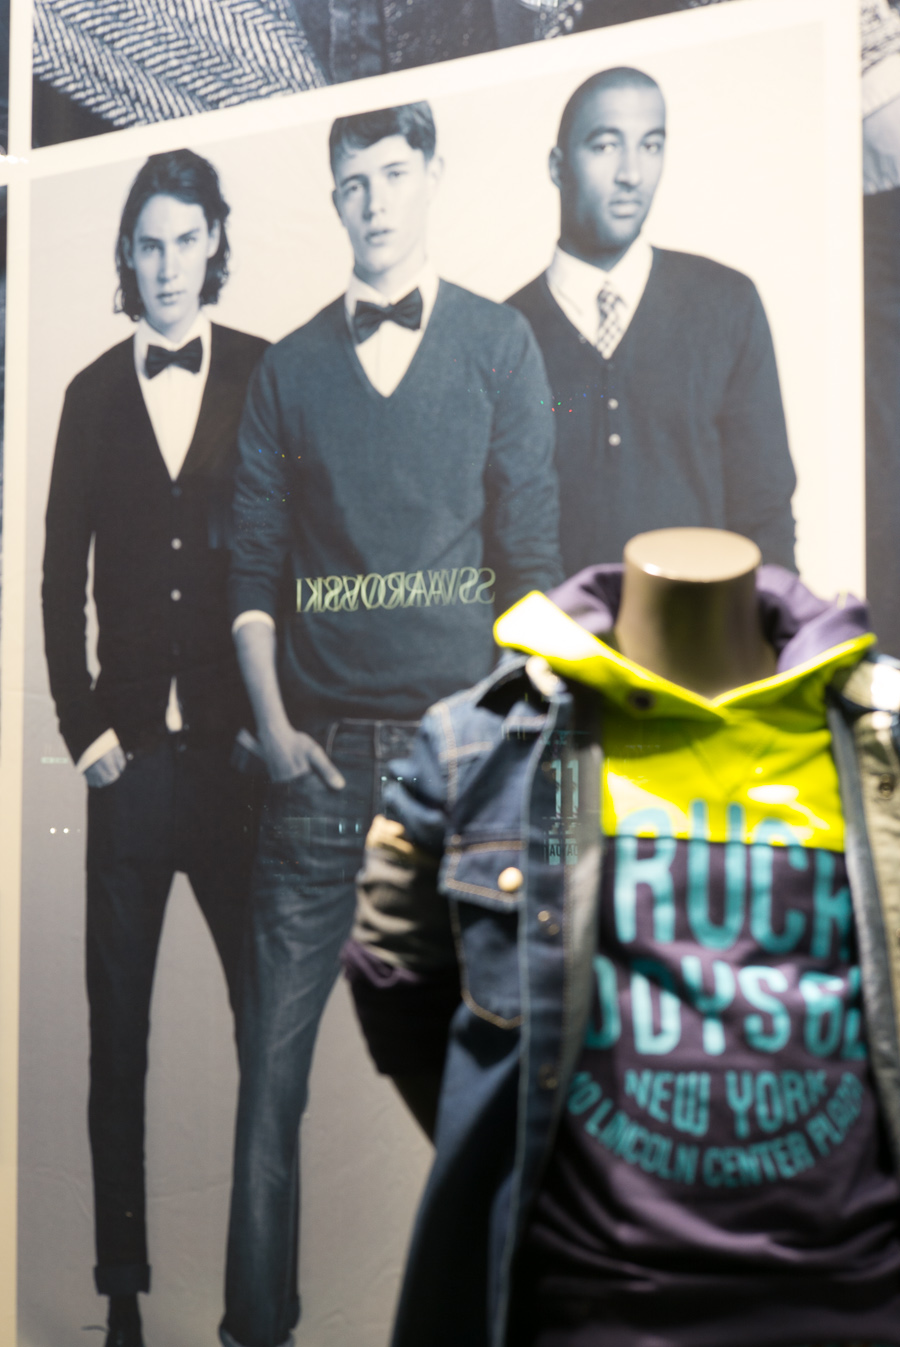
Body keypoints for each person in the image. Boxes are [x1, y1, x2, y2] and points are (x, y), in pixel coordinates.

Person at [350, 530, 900, 1347]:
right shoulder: (483, 742)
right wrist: (513, 1141)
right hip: (590, 1306)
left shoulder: (878, 740)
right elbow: (395, 977)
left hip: (856, 1301)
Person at [220, 100, 562, 1347]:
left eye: (394, 172)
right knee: (270, 1085)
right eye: (352, 180)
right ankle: (255, 1331)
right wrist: (273, 729)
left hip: (458, 777)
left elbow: (533, 565)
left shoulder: (499, 345)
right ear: (332, 196)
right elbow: (251, 573)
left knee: (508, 1077)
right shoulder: (287, 370)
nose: (373, 200)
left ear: (431, 178)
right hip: (317, 780)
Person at [41, 149, 267, 1347]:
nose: (169, 266)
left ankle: (254, 1300)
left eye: (187, 240)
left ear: (214, 242)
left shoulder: (265, 374)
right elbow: (55, 582)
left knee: (266, 1046)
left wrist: (276, 728)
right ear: (126, 255)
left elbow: (299, 561)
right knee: (115, 1046)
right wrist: (84, 731)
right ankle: (122, 1299)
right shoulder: (88, 395)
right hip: (127, 771)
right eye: (149, 243)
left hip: (235, 772)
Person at [506, 66, 798, 579]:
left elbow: (767, 514)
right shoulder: (501, 335)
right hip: (559, 629)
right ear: (557, 166)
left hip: (704, 622)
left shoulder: (726, 302)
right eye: (605, 146)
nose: (632, 175)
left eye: (651, 146)